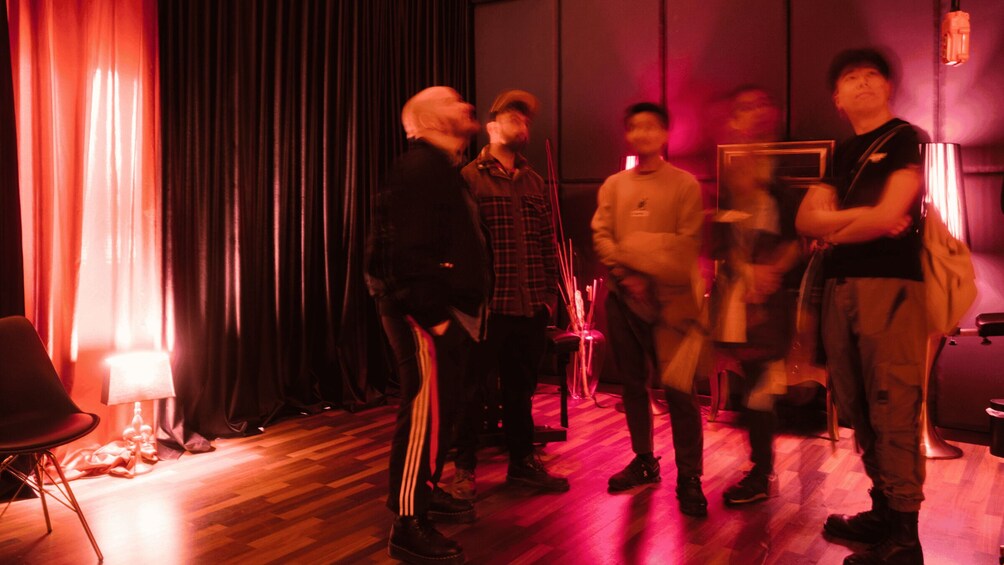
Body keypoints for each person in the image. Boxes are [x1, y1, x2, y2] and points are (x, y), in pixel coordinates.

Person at [796, 48, 926, 564]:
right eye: (851, 78)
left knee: (893, 403)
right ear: (838, 98)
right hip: (839, 287)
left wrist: (835, 226)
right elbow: (805, 221)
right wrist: (862, 220)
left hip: (889, 287)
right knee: (858, 406)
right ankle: (884, 511)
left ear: (888, 88)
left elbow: (891, 214)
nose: (864, 82)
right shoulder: (842, 153)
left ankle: (905, 537)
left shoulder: (906, 139)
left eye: (873, 75)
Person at [365, 86, 492, 565]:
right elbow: (405, 254)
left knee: (440, 413)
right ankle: (408, 523)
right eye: (452, 103)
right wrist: (436, 319)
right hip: (424, 316)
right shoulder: (422, 169)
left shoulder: (437, 168)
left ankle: (424, 492)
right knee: (424, 413)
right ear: (434, 120)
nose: (465, 107)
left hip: (437, 312)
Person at [591, 102, 709, 517]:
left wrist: (635, 254)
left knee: (680, 391)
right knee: (632, 385)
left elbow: (685, 245)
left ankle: (690, 475)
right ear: (628, 134)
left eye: (651, 127)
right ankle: (644, 460)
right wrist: (628, 273)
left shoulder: (684, 185)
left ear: (664, 134)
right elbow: (601, 236)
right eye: (635, 127)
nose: (642, 133)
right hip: (623, 298)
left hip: (672, 304)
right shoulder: (613, 185)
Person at [451, 89, 569, 499]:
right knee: (470, 390)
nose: (521, 126)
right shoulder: (469, 178)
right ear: (491, 126)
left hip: (530, 305)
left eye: (525, 120)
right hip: (486, 307)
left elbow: (547, 242)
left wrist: (548, 298)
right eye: (512, 118)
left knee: (521, 391)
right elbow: (460, 246)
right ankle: (464, 469)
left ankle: (521, 463)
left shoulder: (534, 181)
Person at [712, 86, 802, 505]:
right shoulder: (733, 178)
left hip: (769, 304)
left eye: (759, 106)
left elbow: (800, 239)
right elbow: (725, 241)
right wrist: (744, 270)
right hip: (739, 301)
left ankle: (762, 472)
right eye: (743, 108)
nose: (752, 115)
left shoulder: (780, 181)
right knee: (752, 387)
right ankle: (760, 466)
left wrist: (772, 271)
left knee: (761, 387)